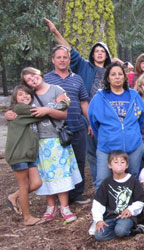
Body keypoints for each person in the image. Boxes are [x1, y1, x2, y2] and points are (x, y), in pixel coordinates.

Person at [9, 67, 82, 223]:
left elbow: (63, 112)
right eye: (28, 79)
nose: (32, 80)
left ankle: (64, 206)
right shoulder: (29, 96)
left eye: (33, 75)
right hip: (38, 141)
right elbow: (17, 110)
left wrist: (46, 110)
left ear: (39, 73)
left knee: (61, 173)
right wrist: (9, 114)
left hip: (56, 139)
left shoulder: (56, 89)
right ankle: (50, 206)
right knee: (45, 175)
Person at [46, 18, 113, 188]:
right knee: (91, 153)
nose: (99, 54)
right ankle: (99, 186)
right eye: (96, 51)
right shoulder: (84, 67)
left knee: (110, 152)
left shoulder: (112, 72)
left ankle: (111, 184)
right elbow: (69, 50)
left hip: (108, 118)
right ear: (92, 54)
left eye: (102, 51)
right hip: (88, 117)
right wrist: (55, 32)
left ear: (107, 55)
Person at [44, 46, 91, 205]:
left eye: (65, 57)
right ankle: (58, 196)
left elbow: (84, 101)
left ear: (69, 60)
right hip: (54, 130)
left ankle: (76, 195)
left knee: (78, 160)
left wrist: (90, 122)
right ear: (53, 60)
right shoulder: (46, 79)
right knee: (57, 163)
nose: (62, 60)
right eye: (59, 57)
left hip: (77, 126)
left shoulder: (77, 78)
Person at [89, 63, 144, 189]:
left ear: (125, 77)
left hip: (133, 146)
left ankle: (130, 207)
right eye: (113, 74)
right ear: (108, 78)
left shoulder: (134, 95)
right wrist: (110, 135)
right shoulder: (99, 97)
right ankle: (102, 207)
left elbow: (141, 118)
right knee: (102, 180)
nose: (117, 77)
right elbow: (94, 123)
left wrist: (130, 132)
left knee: (132, 178)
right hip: (107, 147)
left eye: (120, 74)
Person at [5, 85, 45, 226]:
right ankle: (27, 218)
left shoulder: (24, 110)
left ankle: (13, 196)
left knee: (36, 183)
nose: (25, 97)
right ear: (15, 98)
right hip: (19, 153)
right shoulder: (20, 109)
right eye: (20, 95)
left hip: (28, 155)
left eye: (27, 94)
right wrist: (63, 102)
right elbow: (43, 112)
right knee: (23, 185)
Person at [92, 151, 144, 241]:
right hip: (110, 217)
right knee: (99, 236)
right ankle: (131, 232)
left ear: (127, 165)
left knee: (121, 230)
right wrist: (98, 220)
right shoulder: (106, 183)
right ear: (110, 165)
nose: (119, 165)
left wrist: (130, 210)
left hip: (127, 217)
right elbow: (98, 203)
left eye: (122, 162)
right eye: (116, 162)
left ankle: (130, 229)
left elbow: (141, 200)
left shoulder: (132, 180)